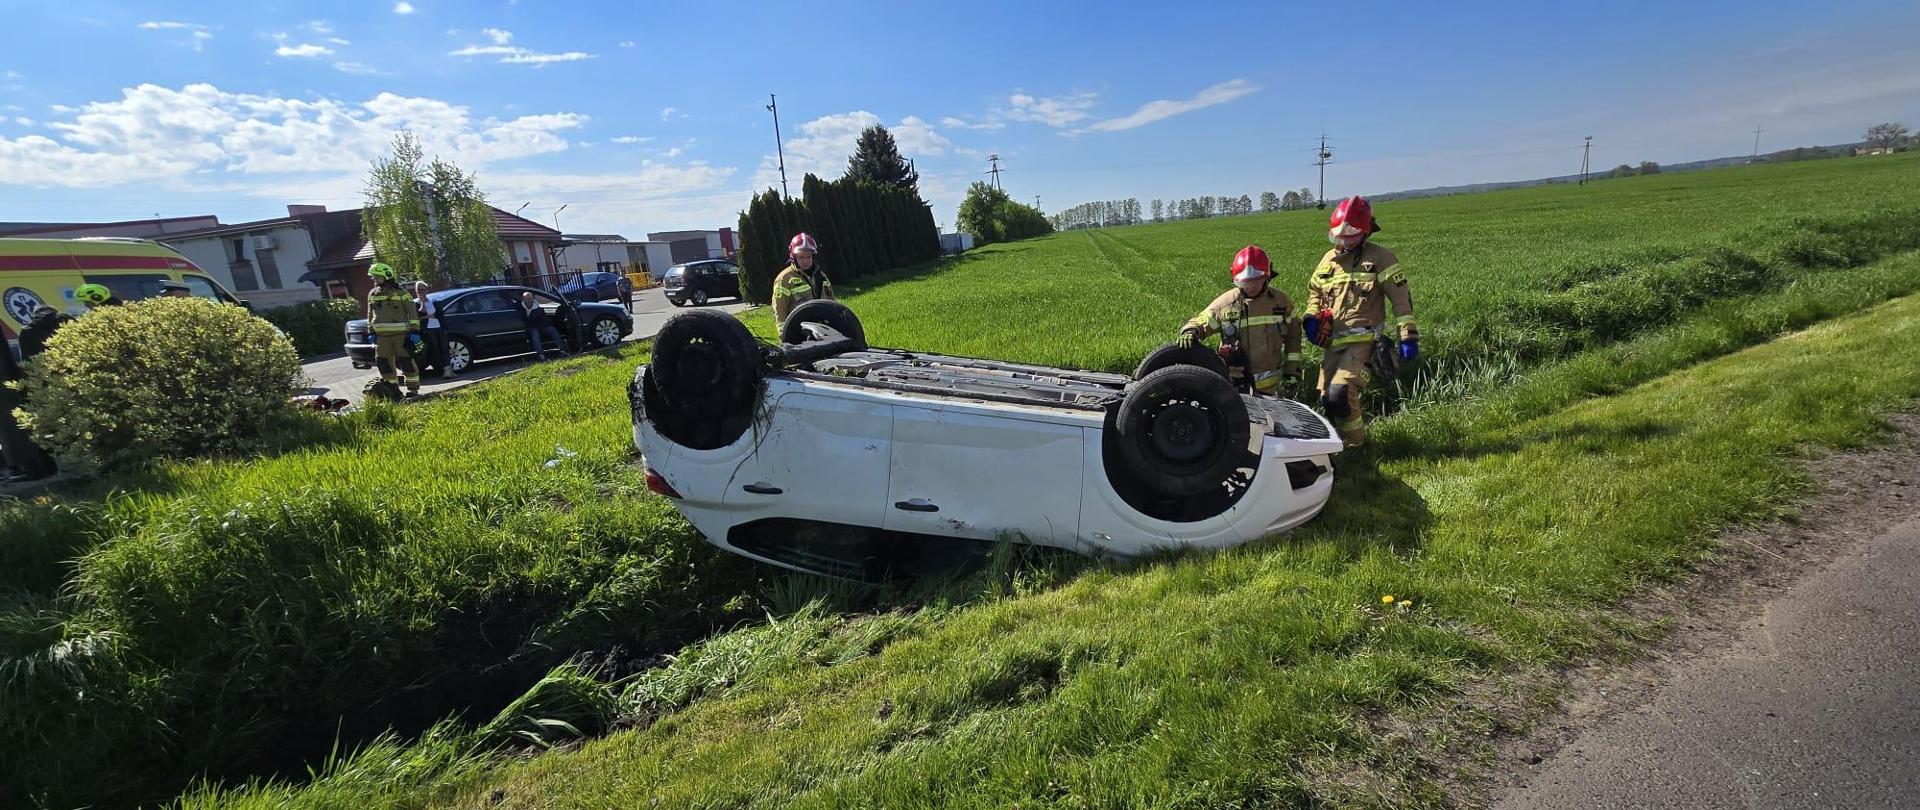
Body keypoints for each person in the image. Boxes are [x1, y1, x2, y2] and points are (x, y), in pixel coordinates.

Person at [1303, 196, 1418, 447]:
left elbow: (1401, 300)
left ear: (1366, 231)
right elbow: (1315, 292)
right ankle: (1336, 447)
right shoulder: (1327, 261)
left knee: (1341, 393)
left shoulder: (1381, 258)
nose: (1345, 240)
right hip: (1334, 344)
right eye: (1340, 235)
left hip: (1365, 341)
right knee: (1327, 400)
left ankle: (1357, 447)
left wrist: (1407, 336)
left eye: (1352, 235)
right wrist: (1311, 317)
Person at [1175, 245, 1303, 396]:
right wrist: (1191, 330)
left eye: (1256, 281)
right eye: (1245, 282)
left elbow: (1294, 336)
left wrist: (1293, 371)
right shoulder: (1226, 305)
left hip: (1269, 389)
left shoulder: (1280, 303)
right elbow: (1202, 321)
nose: (1250, 287)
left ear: (1267, 276)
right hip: (1233, 386)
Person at [364, 263, 421, 398]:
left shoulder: (402, 293)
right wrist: (371, 331)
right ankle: (393, 391)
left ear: (386, 276)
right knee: (384, 364)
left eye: (377, 277)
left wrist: (415, 331)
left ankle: (413, 390)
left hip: (401, 336)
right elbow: (369, 314)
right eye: (373, 277)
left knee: (407, 362)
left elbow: (412, 313)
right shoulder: (373, 294)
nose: (374, 279)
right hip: (382, 338)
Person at [771, 232, 835, 324]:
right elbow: (780, 310)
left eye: (808, 257)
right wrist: (784, 334)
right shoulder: (784, 279)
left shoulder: (821, 276)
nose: (805, 261)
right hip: (799, 331)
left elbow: (833, 302)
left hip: (825, 328)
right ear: (793, 257)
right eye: (801, 257)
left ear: (813, 257)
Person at [520, 291, 566, 361]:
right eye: (527, 299)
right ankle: (541, 355)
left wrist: (542, 327)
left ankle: (563, 350)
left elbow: (546, 320)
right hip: (529, 328)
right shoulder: (520, 308)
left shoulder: (538, 308)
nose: (529, 300)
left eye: (530, 298)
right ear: (523, 299)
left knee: (552, 329)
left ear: (533, 299)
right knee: (535, 333)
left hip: (540, 326)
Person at [413, 281, 444, 369]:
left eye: (422, 290)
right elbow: (420, 314)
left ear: (426, 290)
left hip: (438, 327)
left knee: (442, 347)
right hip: (427, 330)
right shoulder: (415, 303)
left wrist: (428, 316)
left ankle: (445, 366)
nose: (420, 292)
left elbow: (439, 314)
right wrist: (422, 302)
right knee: (434, 349)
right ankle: (438, 367)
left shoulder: (433, 301)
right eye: (418, 290)